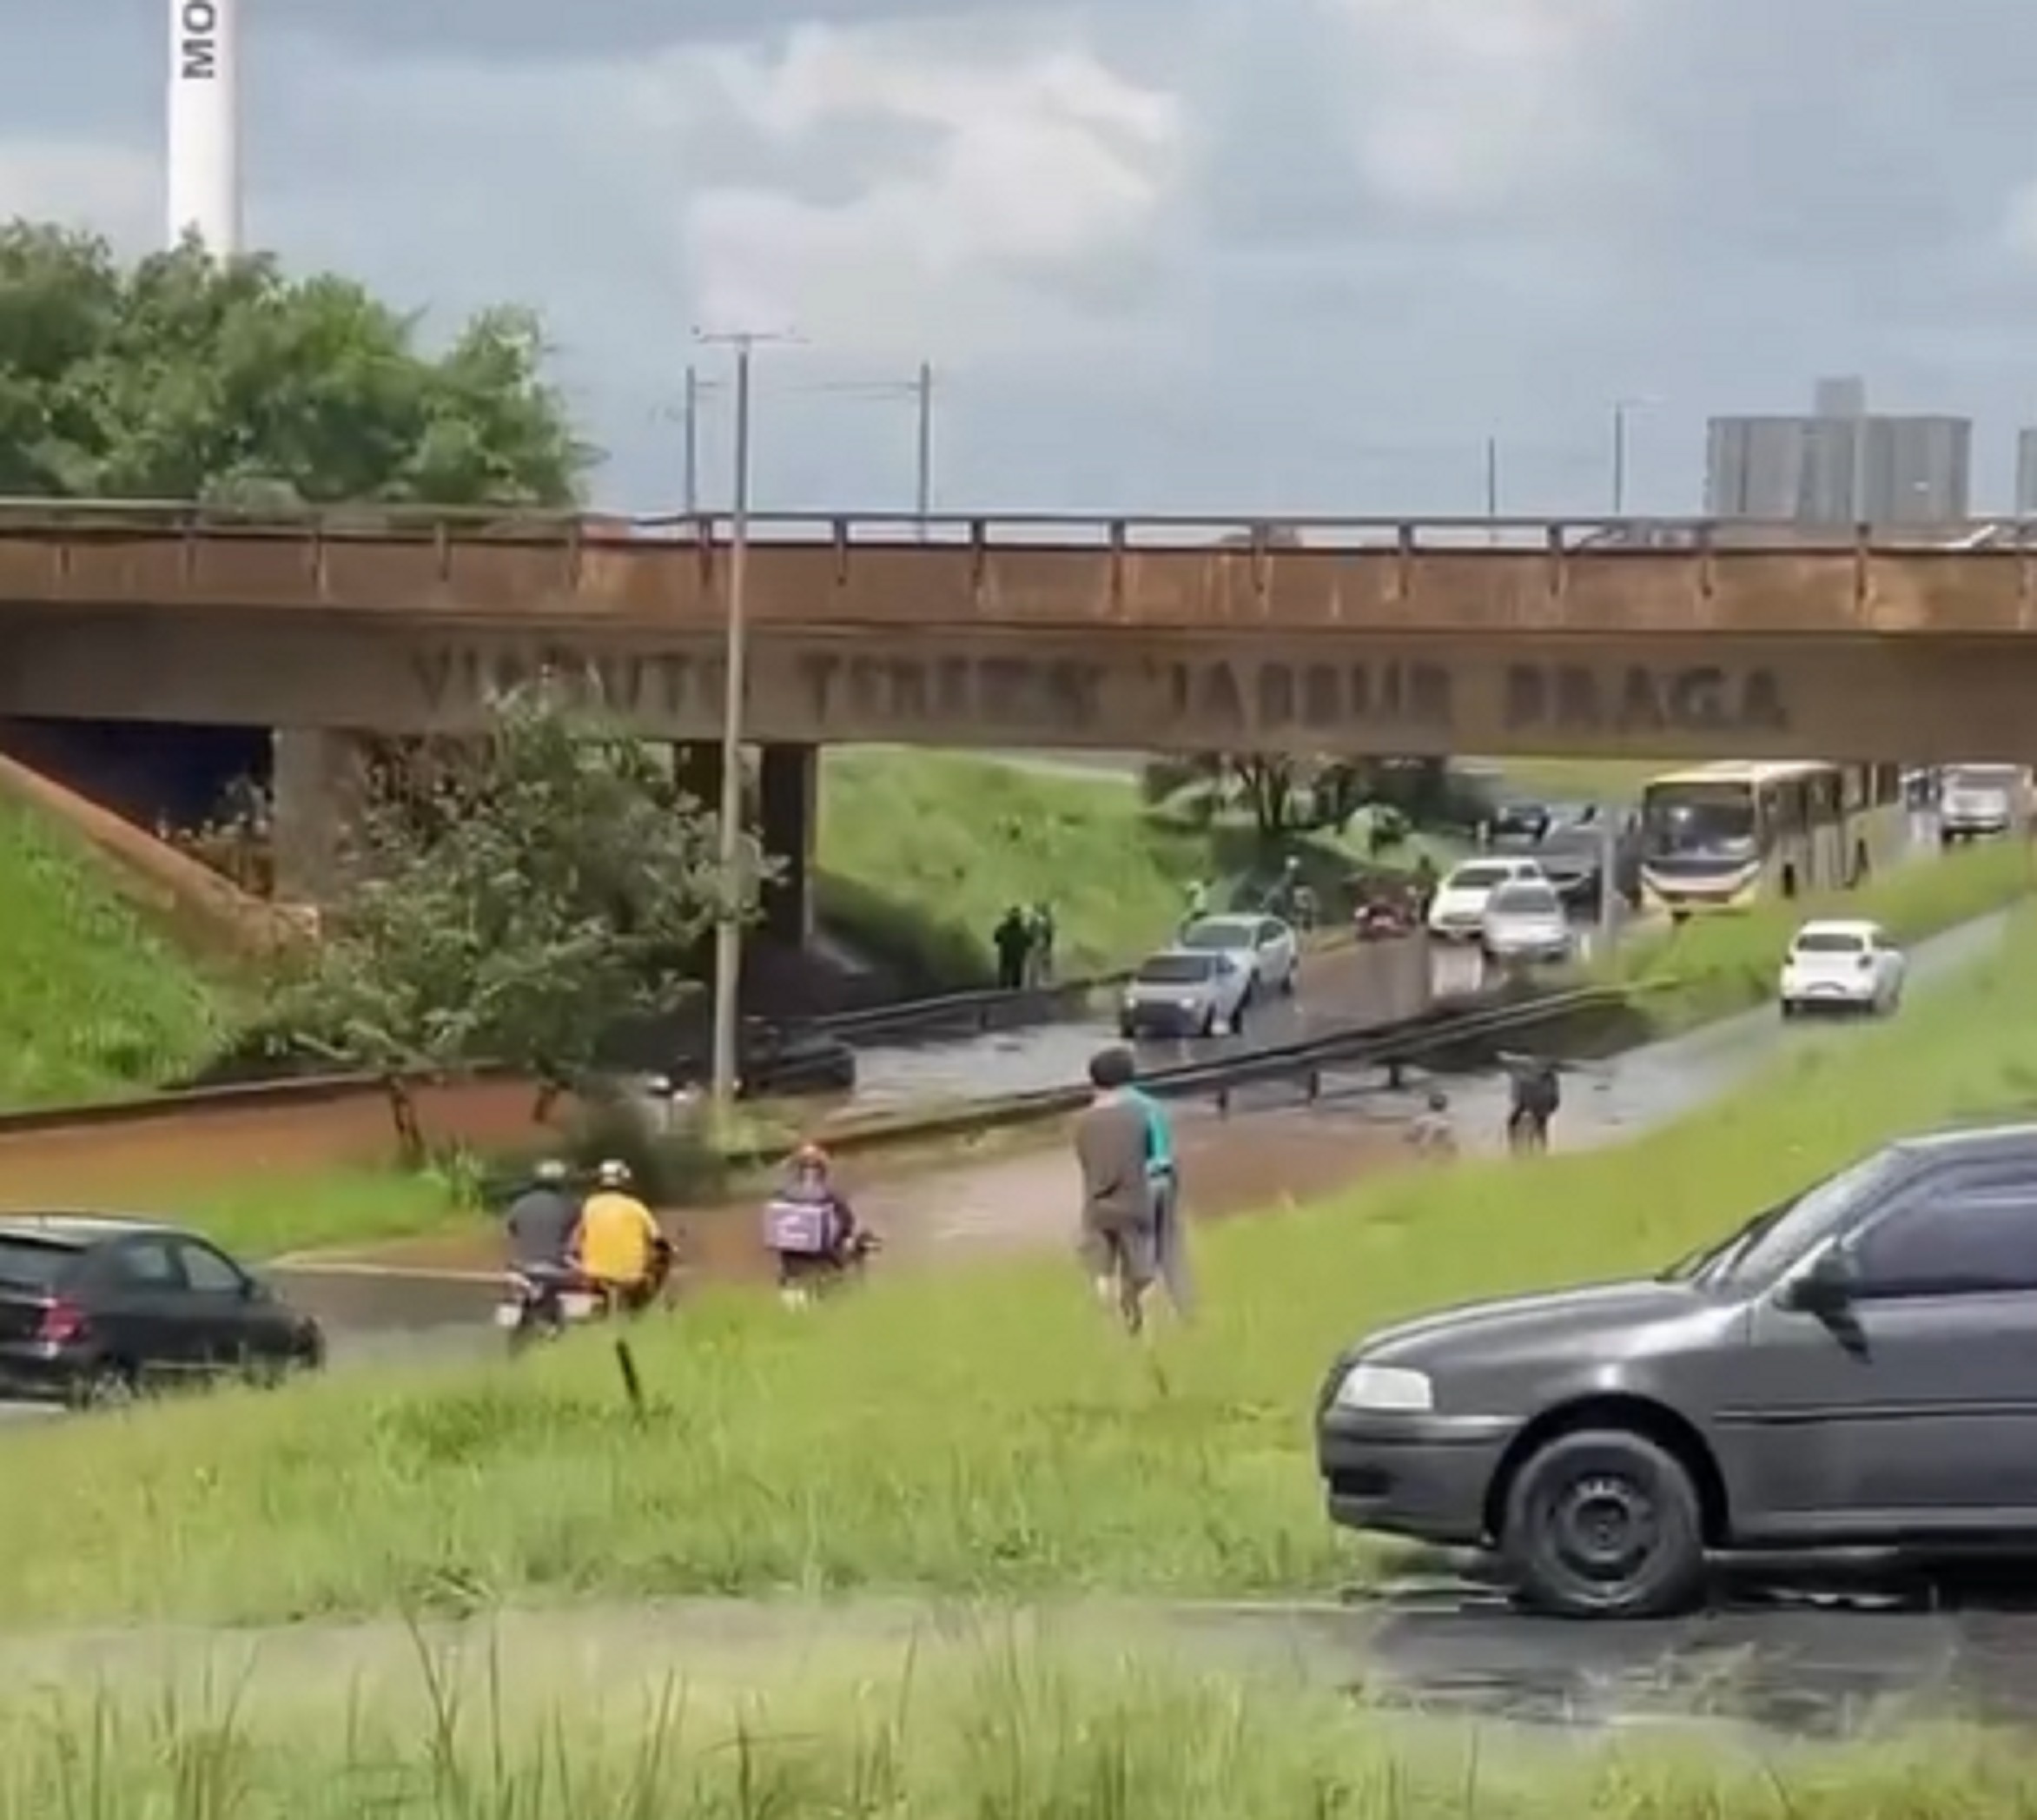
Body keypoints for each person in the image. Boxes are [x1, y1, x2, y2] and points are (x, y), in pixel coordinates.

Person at [1074, 1046, 1160, 1334]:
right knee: (1141, 1268)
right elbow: (1150, 1156)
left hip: (1098, 1207)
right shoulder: (1139, 1115)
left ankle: (1109, 1326)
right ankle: (1134, 1315)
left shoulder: (1082, 1122)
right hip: (1135, 1204)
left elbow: (1084, 1160)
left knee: (1101, 1269)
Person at [1123, 1074, 1191, 1318]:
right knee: (1172, 1249)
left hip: (1142, 1181)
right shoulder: (1152, 1105)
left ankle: (1140, 1316)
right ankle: (1185, 1309)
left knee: (1138, 1251)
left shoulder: (1117, 1110)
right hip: (1167, 1176)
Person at [763, 1142, 863, 1305]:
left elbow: (776, 1229)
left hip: (793, 1269)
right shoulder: (831, 1195)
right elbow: (846, 1225)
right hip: (824, 1265)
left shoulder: (782, 1195)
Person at [574, 1159, 670, 1312]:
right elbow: (658, 1240)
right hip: (631, 1277)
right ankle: (640, 1309)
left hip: (594, 1276)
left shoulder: (589, 1206)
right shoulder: (636, 1207)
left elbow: (576, 1239)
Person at [504, 1158, 582, 1281]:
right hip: (557, 1268)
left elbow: (511, 1233)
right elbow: (576, 1239)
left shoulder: (520, 1204)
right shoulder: (570, 1206)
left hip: (524, 1267)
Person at [1502, 1054, 1563, 1155]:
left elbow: (1518, 1095)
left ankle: (1516, 1148)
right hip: (1539, 1101)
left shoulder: (1525, 1074)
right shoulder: (1549, 1076)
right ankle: (1540, 1149)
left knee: (1515, 1122)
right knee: (1540, 1125)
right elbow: (1554, 1095)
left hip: (1533, 1100)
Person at [1405, 1089, 1458, 1161]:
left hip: (1429, 1146)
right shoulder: (1450, 1116)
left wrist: (1411, 1137)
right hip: (1444, 1146)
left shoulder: (1423, 1118)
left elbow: (1414, 1134)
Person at [993, 906, 1032, 991]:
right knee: (1011, 976)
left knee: (1011, 976)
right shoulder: (1022, 930)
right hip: (1013, 955)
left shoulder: (1007, 929)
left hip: (1010, 955)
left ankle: (1006, 990)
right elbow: (1029, 942)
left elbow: (996, 939)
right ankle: (1007, 990)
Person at [1027, 902, 1057, 986]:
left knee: (1041, 963)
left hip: (1041, 945)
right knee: (1040, 963)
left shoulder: (1038, 920)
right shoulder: (1039, 921)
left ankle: (1040, 980)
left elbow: (1050, 933)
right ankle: (1039, 980)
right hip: (1039, 945)